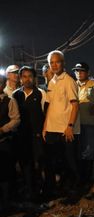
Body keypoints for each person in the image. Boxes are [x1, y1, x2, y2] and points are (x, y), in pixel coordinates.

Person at [42, 50, 80, 198]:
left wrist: (70, 126)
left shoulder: (69, 81)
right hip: (52, 129)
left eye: (57, 61)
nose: (54, 65)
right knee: (54, 161)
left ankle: (75, 190)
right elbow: (50, 107)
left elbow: (75, 105)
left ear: (63, 63)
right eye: (51, 62)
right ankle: (60, 190)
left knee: (70, 161)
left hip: (65, 129)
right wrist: (45, 126)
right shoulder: (51, 82)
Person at [12, 66, 47, 201]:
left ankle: (40, 191)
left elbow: (46, 114)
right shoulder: (16, 95)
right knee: (25, 164)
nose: (27, 79)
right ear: (20, 79)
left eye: (30, 76)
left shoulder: (41, 94)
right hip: (21, 137)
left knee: (38, 163)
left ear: (34, 78)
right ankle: (29, 191)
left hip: (37, 136)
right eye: (24, 76)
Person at [0, 75, 21, 212]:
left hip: (3, 142)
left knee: (5, 173)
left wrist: (3, 129)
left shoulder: (9, 101)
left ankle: (6, 202)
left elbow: (16, 119)